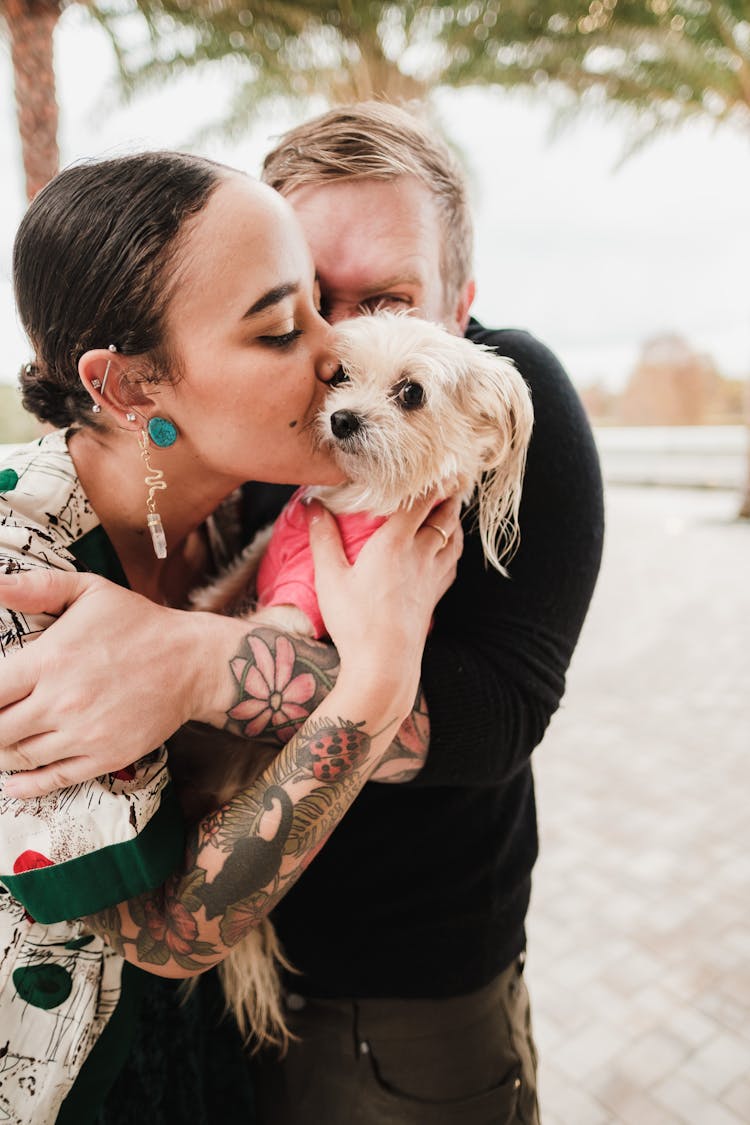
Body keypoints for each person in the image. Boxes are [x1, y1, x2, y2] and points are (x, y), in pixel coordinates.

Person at [0, 102, 605, 1124]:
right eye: (300, 311)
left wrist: (198, 658)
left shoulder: (476, 408)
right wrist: (361, 683)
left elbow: (495, 714)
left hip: (403, 992)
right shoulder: (71, 542)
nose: (339, 354)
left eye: (389, 303)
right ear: (135, 381)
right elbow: (158, 931)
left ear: (462, 303)